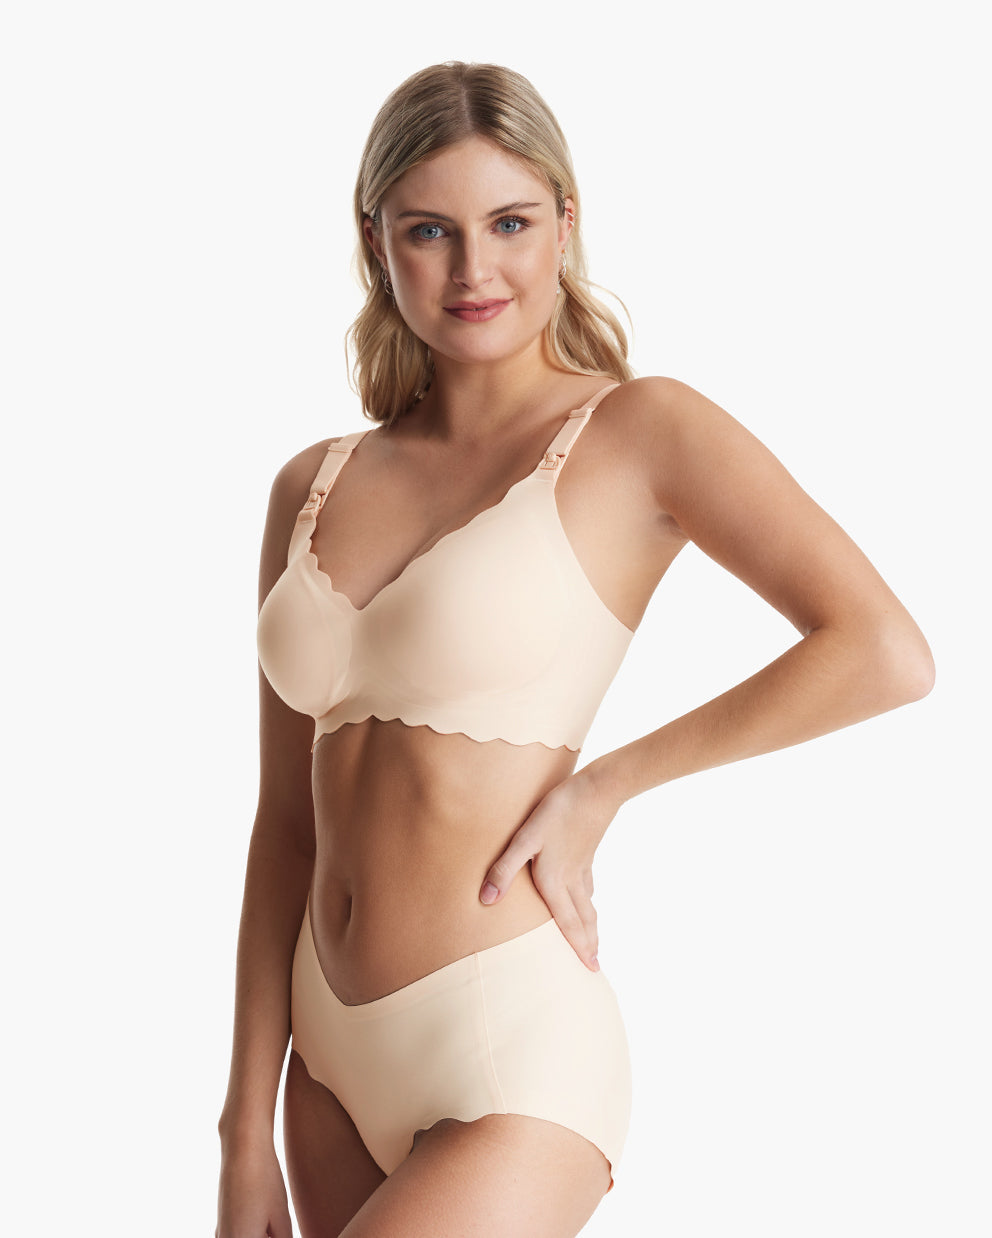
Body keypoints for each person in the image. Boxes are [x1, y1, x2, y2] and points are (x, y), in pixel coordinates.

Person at [215, 61, 934, 1238]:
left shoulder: (639, 431)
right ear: (375, 241)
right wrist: (243, 1128)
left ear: (565, 221)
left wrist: (604, 787)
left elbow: (880, 649)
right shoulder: (311, 484)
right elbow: (285, 825)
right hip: (323, 1061)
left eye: (508, 222)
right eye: (429, 231)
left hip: (509, 1047)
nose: (473, 268)